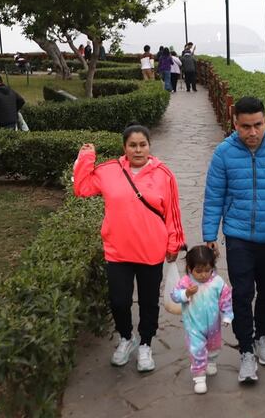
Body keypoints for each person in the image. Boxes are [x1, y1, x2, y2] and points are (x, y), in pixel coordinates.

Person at [202, 96, 265, 384]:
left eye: (257, 125)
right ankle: (246, 350)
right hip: (238, 238)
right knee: (242, 293)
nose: (252, 132)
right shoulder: (224, 153)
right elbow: (213, 197)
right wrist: (210, 234)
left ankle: (262, 337)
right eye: (245, 126)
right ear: (235, 124)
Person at [74, 125, 186, 372]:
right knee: (119, 301)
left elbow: (172, 213)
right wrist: (86, 158)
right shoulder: (109, 171)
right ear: (124, 147)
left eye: (142, 144)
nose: (138, 150)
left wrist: (174, 242)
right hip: (117, 250)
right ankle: (126, 338)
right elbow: (81, 188)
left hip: (151, 250)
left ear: (149, 146)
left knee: (148, 302)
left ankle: (145, 343)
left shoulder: (163, 175)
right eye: (132, 145)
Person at [170, 245, 233, 394]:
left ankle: (211, 361)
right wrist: (185, 293)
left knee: (214, 345)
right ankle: (199, 377)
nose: (203, 275)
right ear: (189, 268)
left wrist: (227, 315)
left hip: (213, 324)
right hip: (193, 324)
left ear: (212, 267)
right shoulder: (186, 282)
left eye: (207, 270)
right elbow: (174, 295)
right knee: (197, 348)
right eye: (198, 271)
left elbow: (226, 298)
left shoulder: (217, 282)